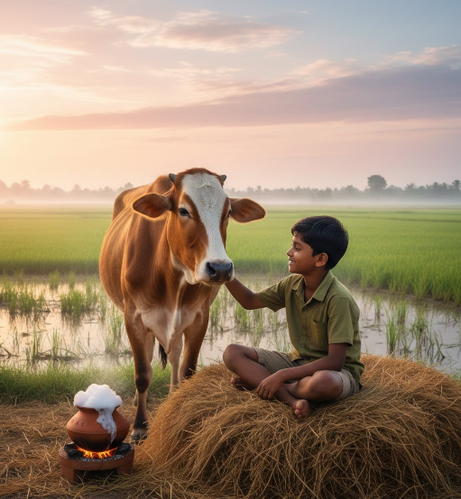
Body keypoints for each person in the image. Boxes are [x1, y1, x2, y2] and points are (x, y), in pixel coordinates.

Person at [223, 215, 363, 419]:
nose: (289, 252)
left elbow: (334, 362)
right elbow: (250, 301)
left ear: (320, 259)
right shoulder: (292, 284)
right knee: (232, 353)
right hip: (297, 363)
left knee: (324, 383)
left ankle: (267, 384)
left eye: (297, 248)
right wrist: (224, 271)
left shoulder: (339, 299)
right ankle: (292, 399)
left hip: (336, 373)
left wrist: (280, 376)